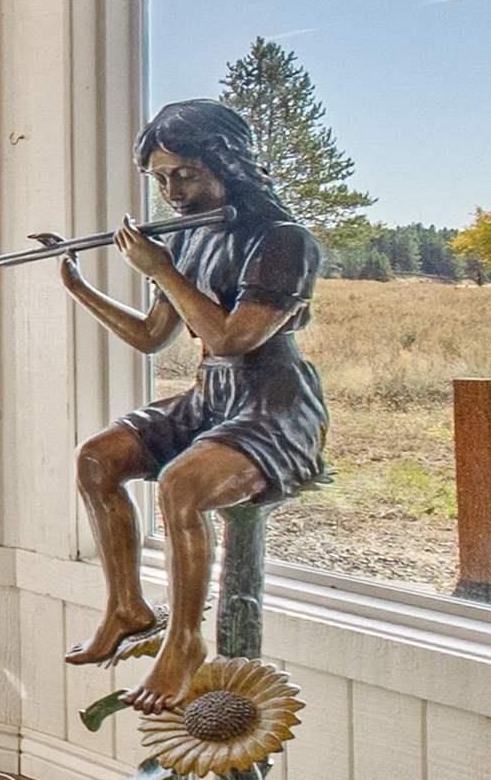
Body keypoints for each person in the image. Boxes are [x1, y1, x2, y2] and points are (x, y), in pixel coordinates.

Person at [35, 98, 329, 711]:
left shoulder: (282, 240)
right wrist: (79, 285)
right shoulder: (194, 237)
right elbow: (150, 335)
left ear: (227, 164)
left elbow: (232, 338)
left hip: (273, 403)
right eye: (160, 179)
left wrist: (161, 268)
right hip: (212, 398)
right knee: (97, 459)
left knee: (180, 486)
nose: (172, 192)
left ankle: (185, 641)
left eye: (185, 175)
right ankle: (126, 606)